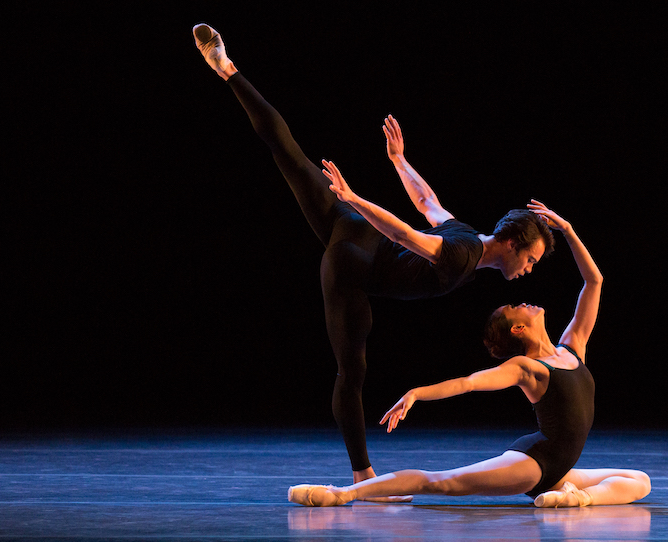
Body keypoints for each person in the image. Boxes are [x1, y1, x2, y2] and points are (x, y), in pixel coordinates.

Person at [191, 24, 555, 486]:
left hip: (356, 231)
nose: (529, 270)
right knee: (352, 371)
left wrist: (399, 161)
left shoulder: (469, 236)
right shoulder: (462, 257)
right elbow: (406, 235)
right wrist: (355, 196)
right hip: (354, 266)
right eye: (532, 259)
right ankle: (363, 474)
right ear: (511, 244)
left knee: (290, 156)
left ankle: (227, 69)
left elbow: (427, 203)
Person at [288, 202, 651, 507]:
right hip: (534, 463)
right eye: (515, 306)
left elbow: (594, 281)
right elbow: (469, 383)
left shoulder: (572, 347)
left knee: (640, 479)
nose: (523, 299)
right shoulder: (527, 368)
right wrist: (418, 393)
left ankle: (576, 499)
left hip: (560, 469)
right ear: (518, 329)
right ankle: (342, 494)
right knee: (440, 483)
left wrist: (568, 230)